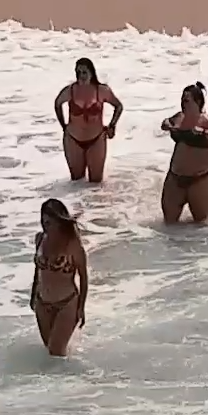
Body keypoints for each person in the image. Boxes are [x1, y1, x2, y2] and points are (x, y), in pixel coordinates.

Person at [159, 81, 208, 224]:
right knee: (168, 223)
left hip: (202, 178)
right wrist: (167, 124)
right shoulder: (179, 117)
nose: (183, 103)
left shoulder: (205, 121)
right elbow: (166, 122)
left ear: (197, 102)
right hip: (176, 177)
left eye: (186, 100)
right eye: (182, 100)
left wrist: (204, 132)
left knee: (200, 223)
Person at [30, 198, 88, 357]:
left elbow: (83, 276)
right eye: (43, 222)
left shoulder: (73, 244)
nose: (45, 227)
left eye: (49, 223)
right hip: (42, 302)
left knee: (55, 352)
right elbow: (38, 270)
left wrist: (81, 307)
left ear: (59, 221)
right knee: (50, 351)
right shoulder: (40, 239)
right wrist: (33, 295)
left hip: (67, 303)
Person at [53, 57, 123, 184]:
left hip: (96, 139)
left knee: (95, 183)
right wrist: (63, 126)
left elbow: (118, 106)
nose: (81, 76)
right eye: (78, 72)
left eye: (84, 72)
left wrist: (112, 125)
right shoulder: (70, 91)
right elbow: (57, 104)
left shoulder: (101, 90)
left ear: (91, 72)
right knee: (76, 182)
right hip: (73, 140)